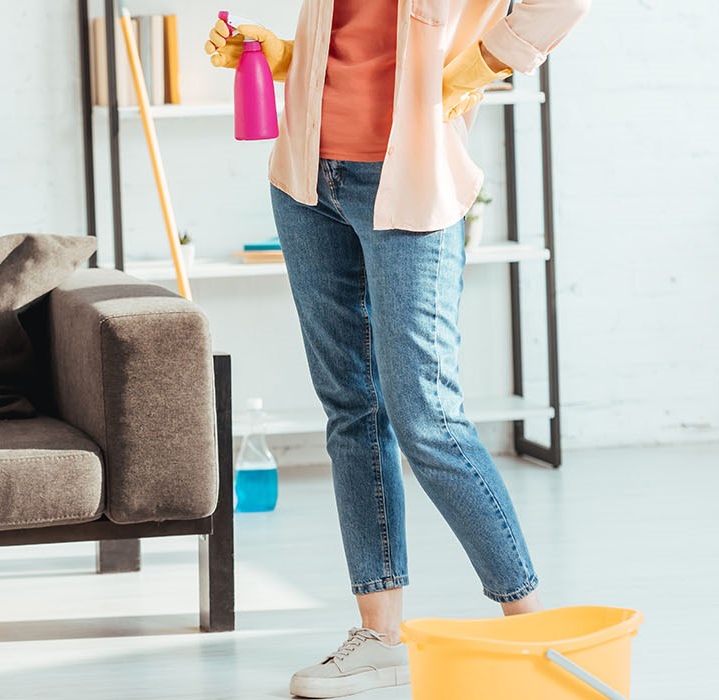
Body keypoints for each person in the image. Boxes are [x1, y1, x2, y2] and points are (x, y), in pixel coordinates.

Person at [204, 1, 589, 697]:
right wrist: (285, 55)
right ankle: (379, 640)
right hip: (306, 178)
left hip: (411, 177)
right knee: (352, 409)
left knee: (429, 420)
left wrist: (486, 59)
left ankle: (531, 630)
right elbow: (359, 39)